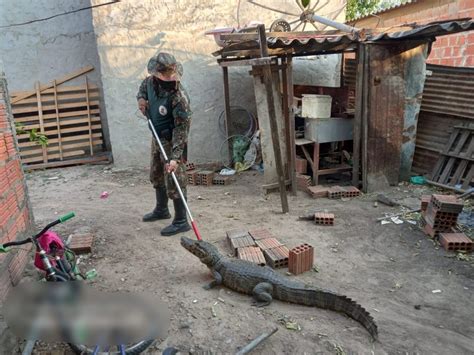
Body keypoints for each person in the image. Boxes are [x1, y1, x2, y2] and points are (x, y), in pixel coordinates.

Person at [136, 52, 191, 236]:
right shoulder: (150, 83)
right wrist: (141, 100)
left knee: (175, 180)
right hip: (157, 137)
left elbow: (181, 130)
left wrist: (175, 157)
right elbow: (143, 89)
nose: (169, 80)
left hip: (173, 140)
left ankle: (181, 221)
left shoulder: (179, 97)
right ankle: (161, 210)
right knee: (156, 174)